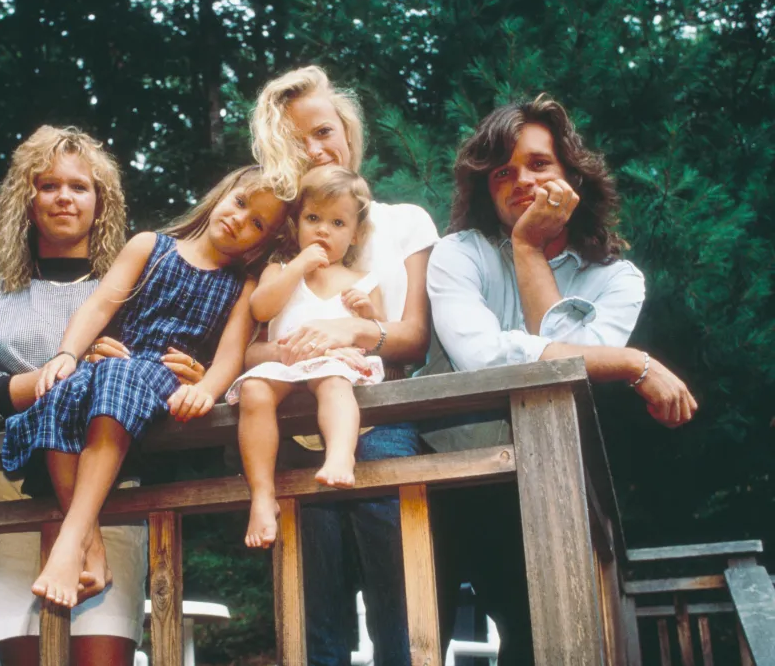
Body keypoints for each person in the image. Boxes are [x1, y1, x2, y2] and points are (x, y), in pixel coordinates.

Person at [422, 94, 699, 663]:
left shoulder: (617, 279)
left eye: (539, 164)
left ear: (573, 174)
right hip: (438, 476)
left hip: (547, 486)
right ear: (484, 186)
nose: (520, 180)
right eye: (502, 171)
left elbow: (568, 373)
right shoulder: (458, 254)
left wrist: (527, 250)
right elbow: (481, 358)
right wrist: (630, 363)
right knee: (417, 638)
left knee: (540, 642)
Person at [0, 125, 203, 665]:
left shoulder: (135, 289)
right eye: (49, 185)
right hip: (5, 500)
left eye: (80, 186)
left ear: (100, 202)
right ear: (27, 201)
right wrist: (53, 379)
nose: (64, 197)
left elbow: (159, 384)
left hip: (113, 497)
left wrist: (191, 376)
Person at [2, 165, 289, 609]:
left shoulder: (241, 285)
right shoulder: (150, 246)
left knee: (119, 377)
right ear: (223, 194)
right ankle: (90, 547)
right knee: (62, 391)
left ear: (264, 242)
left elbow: (231, 357)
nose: (239, 219)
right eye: (240, 203)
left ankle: (69, 538)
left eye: (257, 224)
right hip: (114, 364)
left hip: (163, 375)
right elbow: (100, 306)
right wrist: (66, 355)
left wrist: (207, 390)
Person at [247, 65, 439, 664]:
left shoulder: (404, 221)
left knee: (398, 597)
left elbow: (412, 338)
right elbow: (247, 345)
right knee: (313, 610)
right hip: (292, 424)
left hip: (382, 414)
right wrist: (299, 350)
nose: (315, 148)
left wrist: (351, 327)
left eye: (324, 130)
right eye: (295, 140)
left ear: (350, 133)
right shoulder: (280, 241)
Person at [227, 165, 386, 548]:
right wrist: (298, 266)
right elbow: (262, 309)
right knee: (253, 393)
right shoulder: (280, 269)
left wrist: (365, 311)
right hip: (285, 363)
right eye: (313, 219)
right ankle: (262, 495)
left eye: (337, 223)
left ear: (355, 234)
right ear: (296, 224)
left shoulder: (361, 280)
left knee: (332, 382)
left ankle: (340, 456)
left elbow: (379, 331)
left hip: (335, 364)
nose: (323, 231)